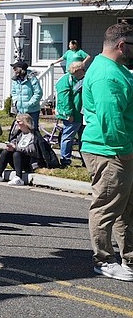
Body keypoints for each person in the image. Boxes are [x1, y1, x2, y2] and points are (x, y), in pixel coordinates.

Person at [81, 23, 133, 282]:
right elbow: (110, 121)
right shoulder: (106, 75)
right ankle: (104, 260)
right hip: (110, 150)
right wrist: (124, 152)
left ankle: (129, 259)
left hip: (120, 150)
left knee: (127, 207)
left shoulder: (118, 69)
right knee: (106, 207)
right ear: (122, 45)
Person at [0, 113, 41, 185]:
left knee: (17, 153)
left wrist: (16, 148)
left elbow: (32, 150)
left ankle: (19, 178)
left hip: (29, 162)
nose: (16, 123)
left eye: (19, 122)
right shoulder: (20, 134)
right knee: (6, 152)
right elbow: (15, 143)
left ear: (26, 123)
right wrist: (11, 146)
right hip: (18, 161)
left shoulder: (33, 135)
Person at [55, 61, 85, 167]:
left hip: (82, 114)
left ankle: (85, 160)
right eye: (83, 69)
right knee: (68, 137)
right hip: (72, 115)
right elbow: (64, 100)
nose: (84, 71)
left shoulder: (80, 79)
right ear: (77, 70)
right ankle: (65, 160)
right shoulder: (65, 80)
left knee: (83, 138)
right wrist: (68, 114)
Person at [10, 60, 43, 129]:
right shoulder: (15, 80)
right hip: (20, 111)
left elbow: (38, 93)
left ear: (21, 69)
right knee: (21, 130)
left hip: (32, 111)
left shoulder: (32, 79)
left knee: (33, 130)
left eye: (15, 69)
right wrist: (16, 102)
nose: (14, 71)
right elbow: (13, 92)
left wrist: (29, 104)